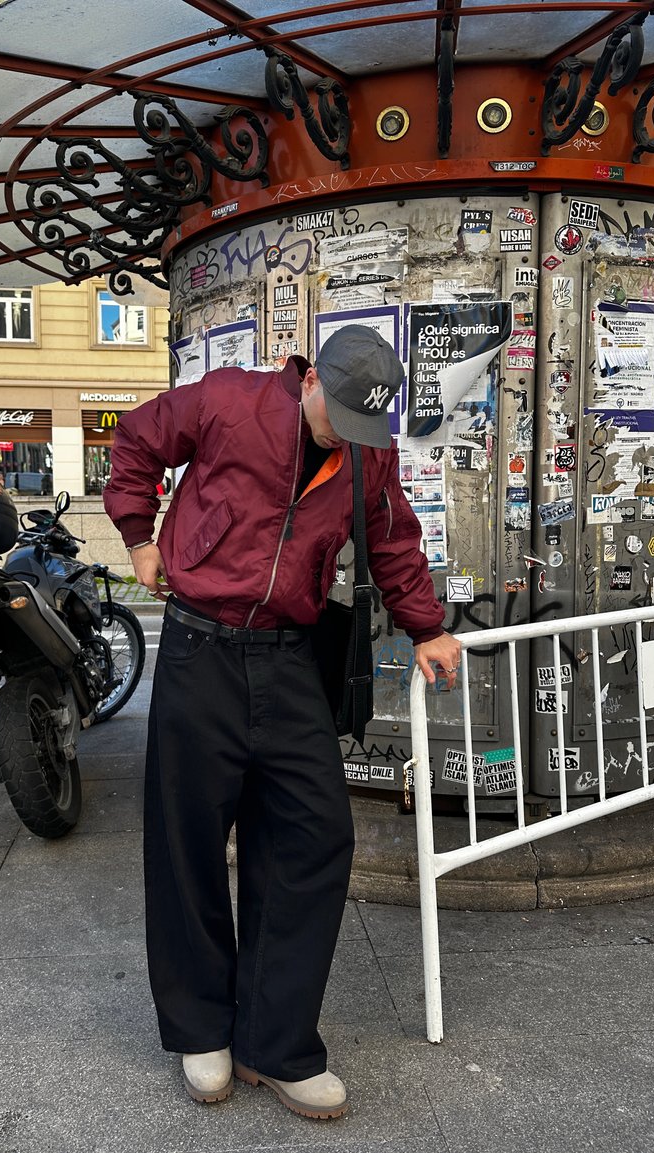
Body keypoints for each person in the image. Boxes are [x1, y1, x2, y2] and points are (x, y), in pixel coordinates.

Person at [103, 324, 460, 1120]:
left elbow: (395, 537)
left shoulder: (368, 453)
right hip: (200, 646)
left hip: (288, 657)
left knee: (314, 832)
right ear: (311, 380)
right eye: (338, 415)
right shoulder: (231, 399)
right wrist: (137, 535)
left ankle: (277, 1038)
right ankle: (203, 1028)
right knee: (189, 838)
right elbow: (136, 440)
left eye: (365, 426)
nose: (347, 436)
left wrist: (426, 625)